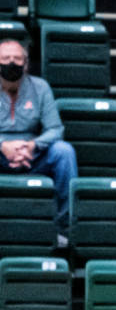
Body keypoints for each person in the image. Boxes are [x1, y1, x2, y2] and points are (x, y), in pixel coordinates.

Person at [0, 38, 78, 245]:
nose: (11, 63)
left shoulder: (40, 87)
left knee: (64, 152)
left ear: (25, 64)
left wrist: (32, 146)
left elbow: (55, 129)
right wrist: (3, 146)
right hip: (0, 155)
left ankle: (64, 230)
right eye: (5, 58)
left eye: (17, 59)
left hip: (32, 155)